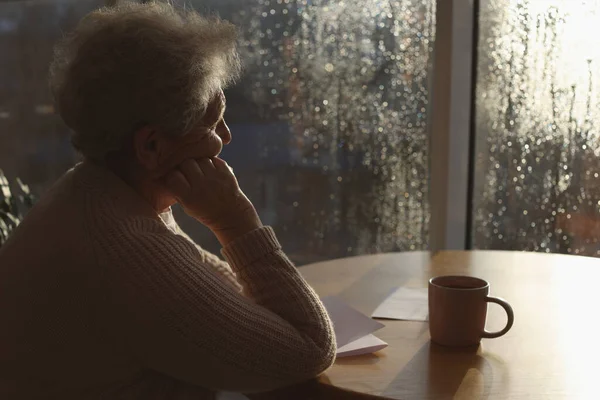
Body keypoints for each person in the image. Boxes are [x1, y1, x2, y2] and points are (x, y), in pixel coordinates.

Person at [0, 3, 336, 399]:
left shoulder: (96, 193)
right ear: (152, 146)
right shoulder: (122, 246)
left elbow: (228, 300)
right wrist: (235, 221)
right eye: (213, 123)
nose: (227, 137)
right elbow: (310, 349)